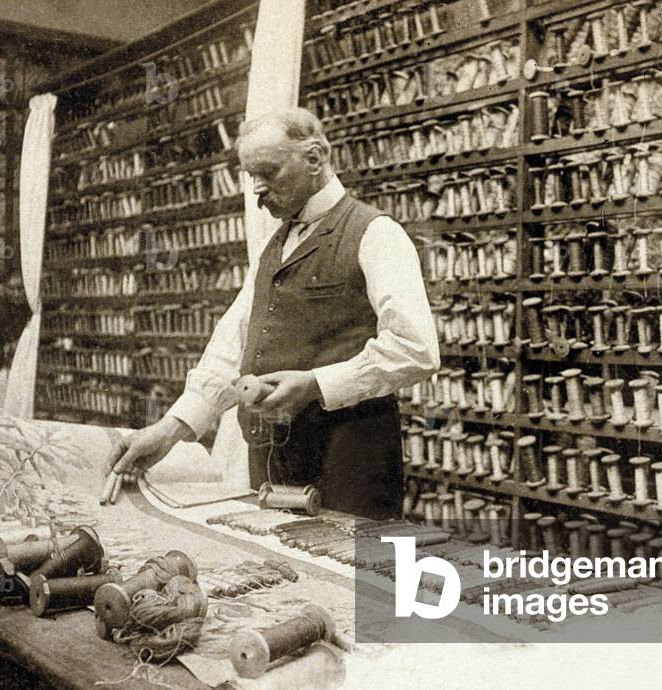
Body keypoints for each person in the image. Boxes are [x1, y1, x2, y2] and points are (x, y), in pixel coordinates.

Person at [106, 107, 440, 519]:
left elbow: (417, 348)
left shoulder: (376, 234)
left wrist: (316, 384)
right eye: (251, 176)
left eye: (268, 171)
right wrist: (170, 430)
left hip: (349, 462)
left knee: (343, 577)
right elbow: (236, 342)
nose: (258, 190)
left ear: (315, 158)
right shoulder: (275, 246)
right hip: (270, 461)